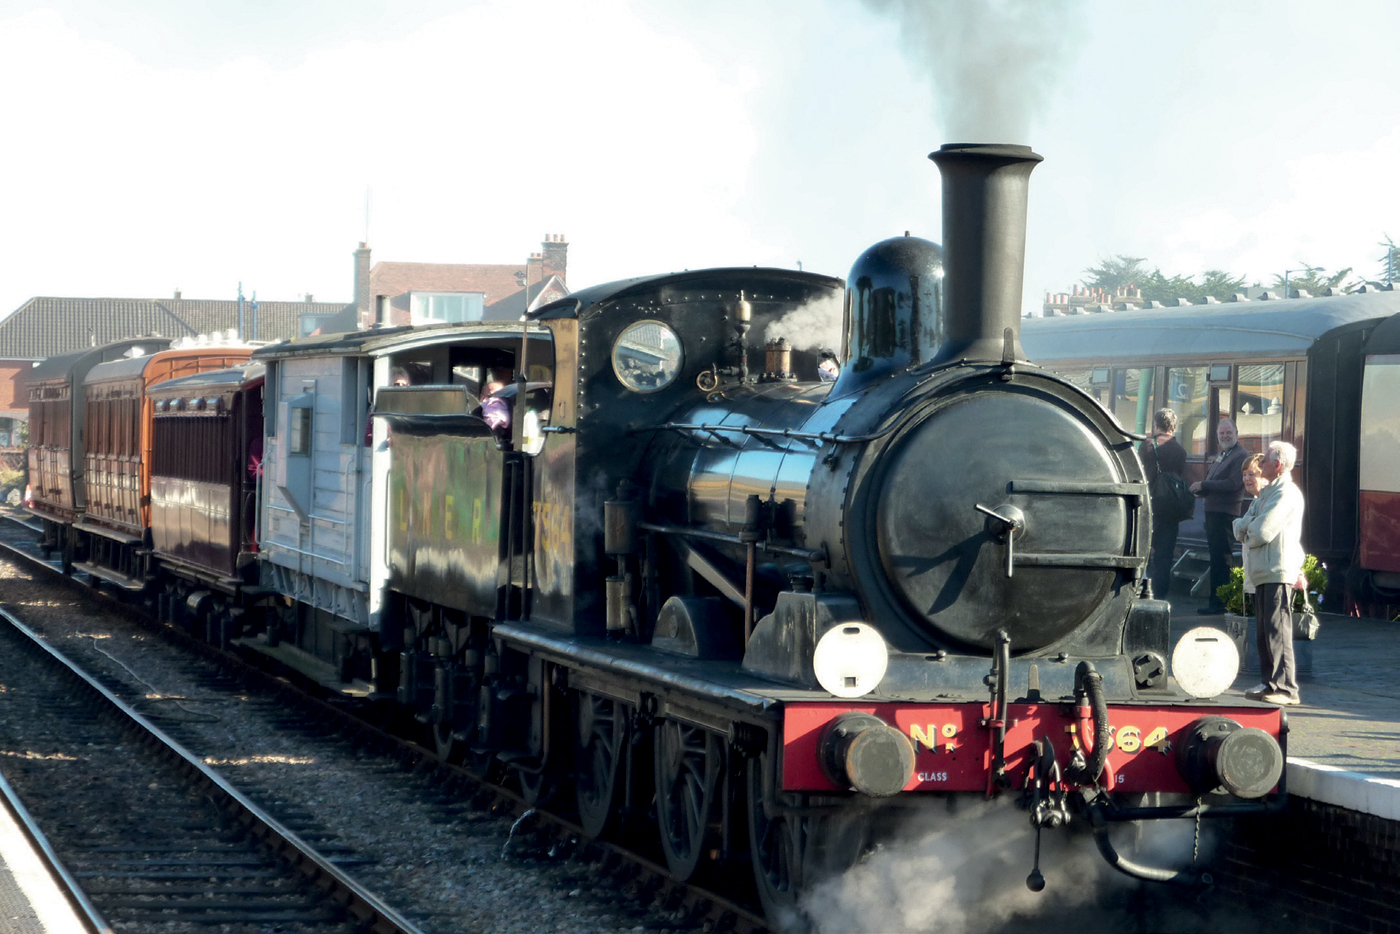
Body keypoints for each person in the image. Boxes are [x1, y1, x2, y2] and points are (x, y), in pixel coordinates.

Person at [1232, 441, 1305, 706]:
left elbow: (1261, 532)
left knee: (1277, 631)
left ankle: (1286, 689)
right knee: (1263, 632)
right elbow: (1238, 527)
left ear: (1278, 465)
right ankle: (1269, 683)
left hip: (1277, 570)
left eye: (1265, 462)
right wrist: (1247, 527)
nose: (1260, 465)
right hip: (1262, 571)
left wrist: (1246, 527)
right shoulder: (1266, 494)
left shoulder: (1285, 493)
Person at [1191, 418, 1249, 614]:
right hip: (1213, 513)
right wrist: (1201, 489)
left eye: (1228, 432)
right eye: (1221, 433)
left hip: (1225, 515)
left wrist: (1205, 486)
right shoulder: (1223, 455)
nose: (1225, 436)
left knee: (1222, 560)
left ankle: (1219, 604)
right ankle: (1215, 602)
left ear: (1236, 432)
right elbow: (1213, 481)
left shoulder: (1240, 456)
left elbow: (1233, 484)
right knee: (1216, 559)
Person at [1139, 408, 1188, 600]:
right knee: (1165, 556)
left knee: (1143, 551)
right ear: (1173, 427)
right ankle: (1160, 594)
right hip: (1171, 508)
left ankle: (1144, 591)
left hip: (1149, 506)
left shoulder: (1147, 446)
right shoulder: (1180, 451)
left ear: (1156, 425)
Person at [1236, 453, 1266, 614]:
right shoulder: (1255, 501)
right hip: (1253, 577)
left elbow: (1252, 531)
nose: (1246, 479)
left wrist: (1242, 526)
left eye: (1251, 474)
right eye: (1244, 475)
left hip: (1262, 578)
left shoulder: (1266, 502)